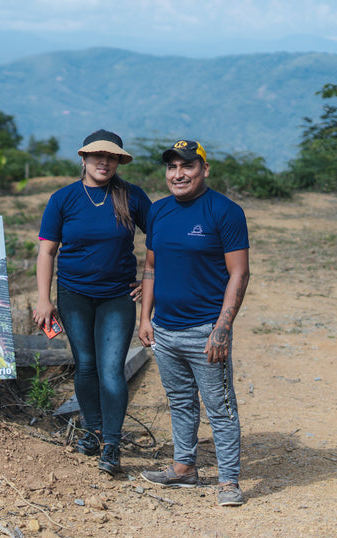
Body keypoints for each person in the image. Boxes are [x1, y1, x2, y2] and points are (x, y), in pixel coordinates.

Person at [137, 140, 250, 506]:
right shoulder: (158, 211)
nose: (178, 174)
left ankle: (229, 481)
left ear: (204, 169)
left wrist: (222, 328)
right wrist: (145, 318)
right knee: (181, 401)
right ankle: (184, 468)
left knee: (221, 407)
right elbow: (151, 267)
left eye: (187, 166)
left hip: (205, 332)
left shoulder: (225, 211)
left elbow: (239, 274)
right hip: (166, 330)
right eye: (172, 167)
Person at [34, 129, 151, 475]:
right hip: (73, 294)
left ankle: (112, 443)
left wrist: (149, 279)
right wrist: (43, 299)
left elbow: (160, 239)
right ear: (84, 158)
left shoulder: (132, 197)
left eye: (112, 157)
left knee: (112, 368)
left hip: (118, 296)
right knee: (85, 364)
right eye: (98, 155)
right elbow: (47, 251)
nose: (105, 162)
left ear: (119, 161)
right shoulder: (63, 199)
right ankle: (92, 431)